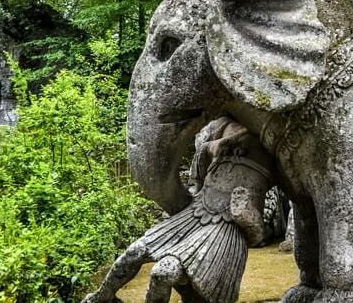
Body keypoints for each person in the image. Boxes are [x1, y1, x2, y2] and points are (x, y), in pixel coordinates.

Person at [82, 117, 275, 303]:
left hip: (223, 231)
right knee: (135, 251)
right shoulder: (223, 127)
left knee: (162, 273)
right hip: (195, 213)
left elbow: (257, 235)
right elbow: (197, 177)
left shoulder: (273, 145)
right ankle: (103, 296)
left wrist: (246, 216)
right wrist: (211, 147)